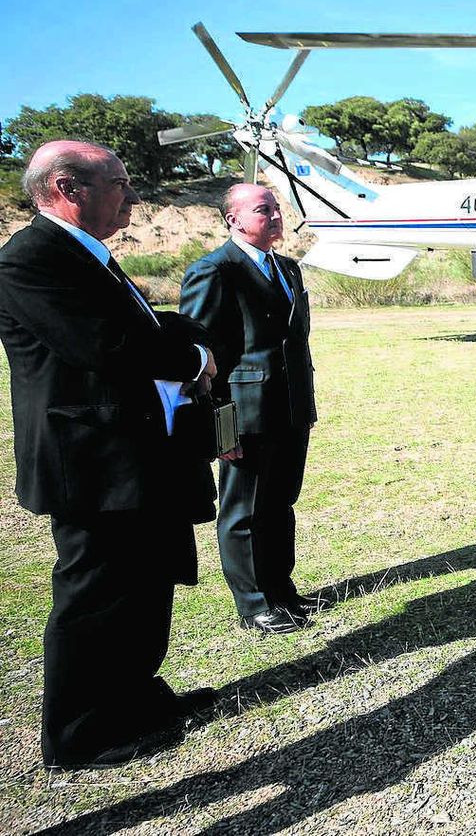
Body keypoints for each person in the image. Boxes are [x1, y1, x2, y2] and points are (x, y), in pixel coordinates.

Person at [0, 140, 220, 770]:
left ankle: (136, 699)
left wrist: (190, 337)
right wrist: (195, 358)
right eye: (120, 183)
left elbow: (144, 326)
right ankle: (78, 734)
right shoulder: (30, 259)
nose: (132, 195)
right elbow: (107, 346)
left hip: (132, 453)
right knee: (94, 592)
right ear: (68, 189)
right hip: (88, 461)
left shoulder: (87, 255)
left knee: (145, 582)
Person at [181, 184, 319, 635]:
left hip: (292, 407)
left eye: (278, 208)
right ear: (233, 219)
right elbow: (201, 353)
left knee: (280, 501)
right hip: (243, 412)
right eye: (264, 209)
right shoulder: (215, 271)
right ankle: (254, 602)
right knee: (244, 509)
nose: (276, 216)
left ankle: (281, 589)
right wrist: (220, 427)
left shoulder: (287, 268)